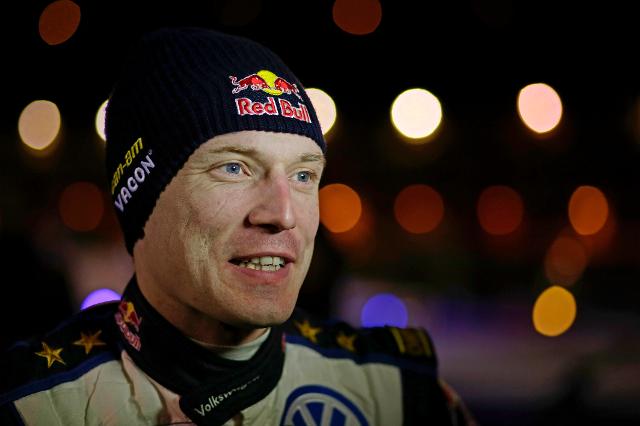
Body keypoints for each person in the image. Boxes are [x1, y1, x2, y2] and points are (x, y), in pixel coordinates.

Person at [0, 27, 474, 425]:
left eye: (303, 175)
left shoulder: (397, 388)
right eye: (234, 168)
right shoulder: (31, 405)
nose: (283, 214)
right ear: (141, 200)